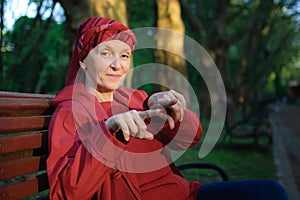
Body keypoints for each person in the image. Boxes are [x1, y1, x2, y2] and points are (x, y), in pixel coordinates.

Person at [47, 17, 288, 200]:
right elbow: (66, 192)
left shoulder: (135, 98)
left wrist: (175, 113)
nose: (117, 65)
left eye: (125, 55)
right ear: (83, 60)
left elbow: (191, 139)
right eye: (106, 53)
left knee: (271, 191)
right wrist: (108, 132)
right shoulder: (71, 112)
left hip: (186, 193)